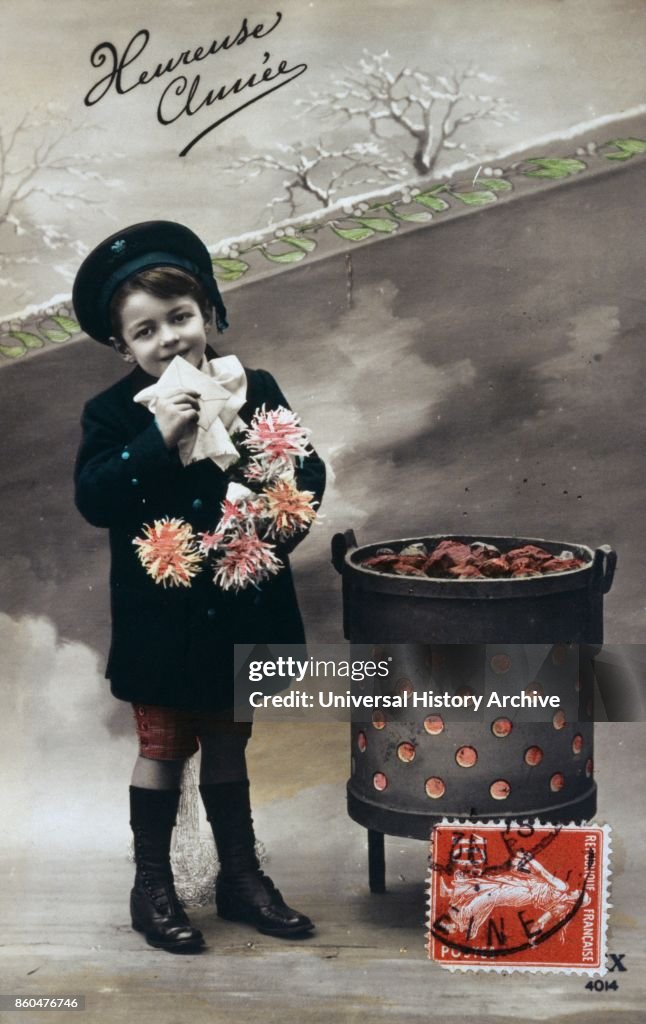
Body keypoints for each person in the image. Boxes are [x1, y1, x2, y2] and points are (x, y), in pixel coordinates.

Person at [73, 221, 326, 953]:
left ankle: (240, 878)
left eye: (180, 318)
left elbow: (303, 470)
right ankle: (152, 884)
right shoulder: (113, 415)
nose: (170, 341)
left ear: (208, 314)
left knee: (228, 739)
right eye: (146, 331)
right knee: (163, 744)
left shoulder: (259, 388)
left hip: (239, 599)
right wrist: (156, 443)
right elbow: (96, 499)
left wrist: (271, 524)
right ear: (124, 347)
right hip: (164, 616)